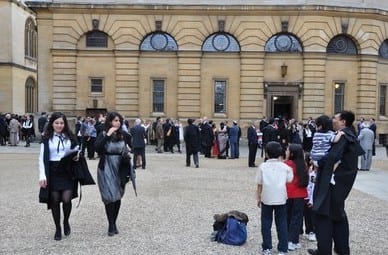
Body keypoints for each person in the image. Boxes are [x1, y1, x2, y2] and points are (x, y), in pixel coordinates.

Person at [308, 111, 365, 255]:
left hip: (331, 185)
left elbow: (331, 158)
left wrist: (316, 162)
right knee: (337, 215)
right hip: (340, 185)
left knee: (323, 216)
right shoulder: (348, 135)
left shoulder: (342, 137)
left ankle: (324, 251)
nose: (332, 120)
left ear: (343, 122)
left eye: (335, 118)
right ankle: (341, 250)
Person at [38, 112, 79, 241]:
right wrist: (42, 175)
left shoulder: (70, 137)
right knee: (55, 200)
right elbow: (41, 158)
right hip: (53, 171)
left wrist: (77, 156)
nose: (59, 125)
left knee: (67, 199)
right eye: (57, 123)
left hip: (67, 171)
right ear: (52, 124)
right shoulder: (46, 138)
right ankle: (57, 228)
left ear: (65, 124)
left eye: (61, 123)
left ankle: (66, 221)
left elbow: (76, 149)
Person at [94, 112, 132, 236]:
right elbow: (97, 148)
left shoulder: (124, 135)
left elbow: (131, 146)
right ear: (109, 122)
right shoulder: (103, 134)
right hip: (106, 167)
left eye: (119, 120)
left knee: (118, 195)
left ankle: (114, 222)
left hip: (120, 167)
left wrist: (128, 154)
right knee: (109, 196)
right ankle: (110, 224)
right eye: (115, 120)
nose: (118, 123)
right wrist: (108, 135)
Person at [255, 141, 294, 255]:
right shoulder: (285, 167)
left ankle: (267, 247)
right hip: (280, 197)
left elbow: (259, 183)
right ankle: (283, 248)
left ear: (266, 154)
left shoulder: (263, 166)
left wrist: (258, 197)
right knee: (282, 223)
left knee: (266, 223)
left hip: (266, 197)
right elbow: (289, 179)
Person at [284, 143, 309, 251]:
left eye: (288, 150)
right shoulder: (303, 165)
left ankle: (289, 240)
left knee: (288, 217)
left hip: (289, 194)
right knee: (297, 218)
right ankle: (294, 240)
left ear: (292, 153)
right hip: (300, 194)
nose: (286, 152)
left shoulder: (286, 164)